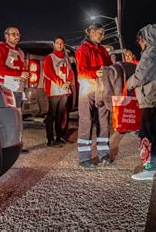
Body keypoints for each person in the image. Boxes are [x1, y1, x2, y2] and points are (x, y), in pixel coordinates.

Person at [127, 24, 156, 180]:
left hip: (151, 98)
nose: (140, 43)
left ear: (147, 38)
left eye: (141, 40)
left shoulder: (151, 53)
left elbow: (141, 76)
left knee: (149, 134)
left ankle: (150, 169)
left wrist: (128, 83)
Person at [75, 23, 113, 168]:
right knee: (86, 122)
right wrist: (95, 72)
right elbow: (81, 71)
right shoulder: (82, 49)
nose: (103, 36)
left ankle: (104, 155)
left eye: (103, 33)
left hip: (102, 90)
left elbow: (109, 66)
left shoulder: (103, 50)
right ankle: (84, 158)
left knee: (103, 122)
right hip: (88, 91)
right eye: (100, 33)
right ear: (91, 32)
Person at [0, 26, 29, 153]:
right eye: (14, 34)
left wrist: (24, 75)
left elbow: (21, 68)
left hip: (18, 89)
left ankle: (16, 144)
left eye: (18, 34)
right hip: (7, 89)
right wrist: (19, 74)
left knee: (17, 118)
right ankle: (5, 146)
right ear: (6, 36)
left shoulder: (20, 52)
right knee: (7, 118)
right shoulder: (0, 49)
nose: (17, 36)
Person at [43, 36, 73, 147]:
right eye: (57, 42)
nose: (60, 45)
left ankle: (59, 137)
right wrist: (61, 83)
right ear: (54, 44)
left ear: (63, 45)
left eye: (61, 43)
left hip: (64, 90)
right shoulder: (49, 57)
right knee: (52, 115)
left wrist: (68, 82)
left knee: (61, 115)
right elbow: (49, 73)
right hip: (54, 90)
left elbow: (70, 72)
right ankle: (50, 139)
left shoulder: (66, 58)